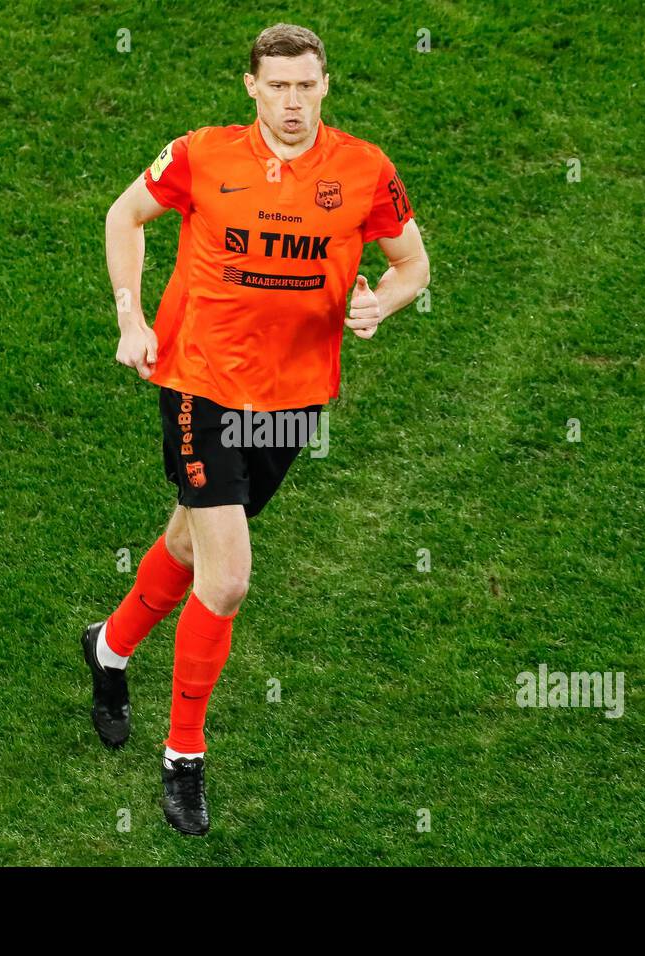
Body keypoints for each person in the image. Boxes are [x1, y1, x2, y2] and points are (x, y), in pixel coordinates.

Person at [92, 22, 430, 835]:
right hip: (199, 384)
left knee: (187, 545)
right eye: (276, 85)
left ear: (326, 85)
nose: (291, 101)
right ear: (251, 86)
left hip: (293, 401)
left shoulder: (364, 171)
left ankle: (107, 647)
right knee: (230, 575)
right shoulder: (203, 155)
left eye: (305, 85)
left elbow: (411, 262)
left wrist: (380, 303)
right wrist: (131, 319)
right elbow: (124, 216)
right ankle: (184, 759)